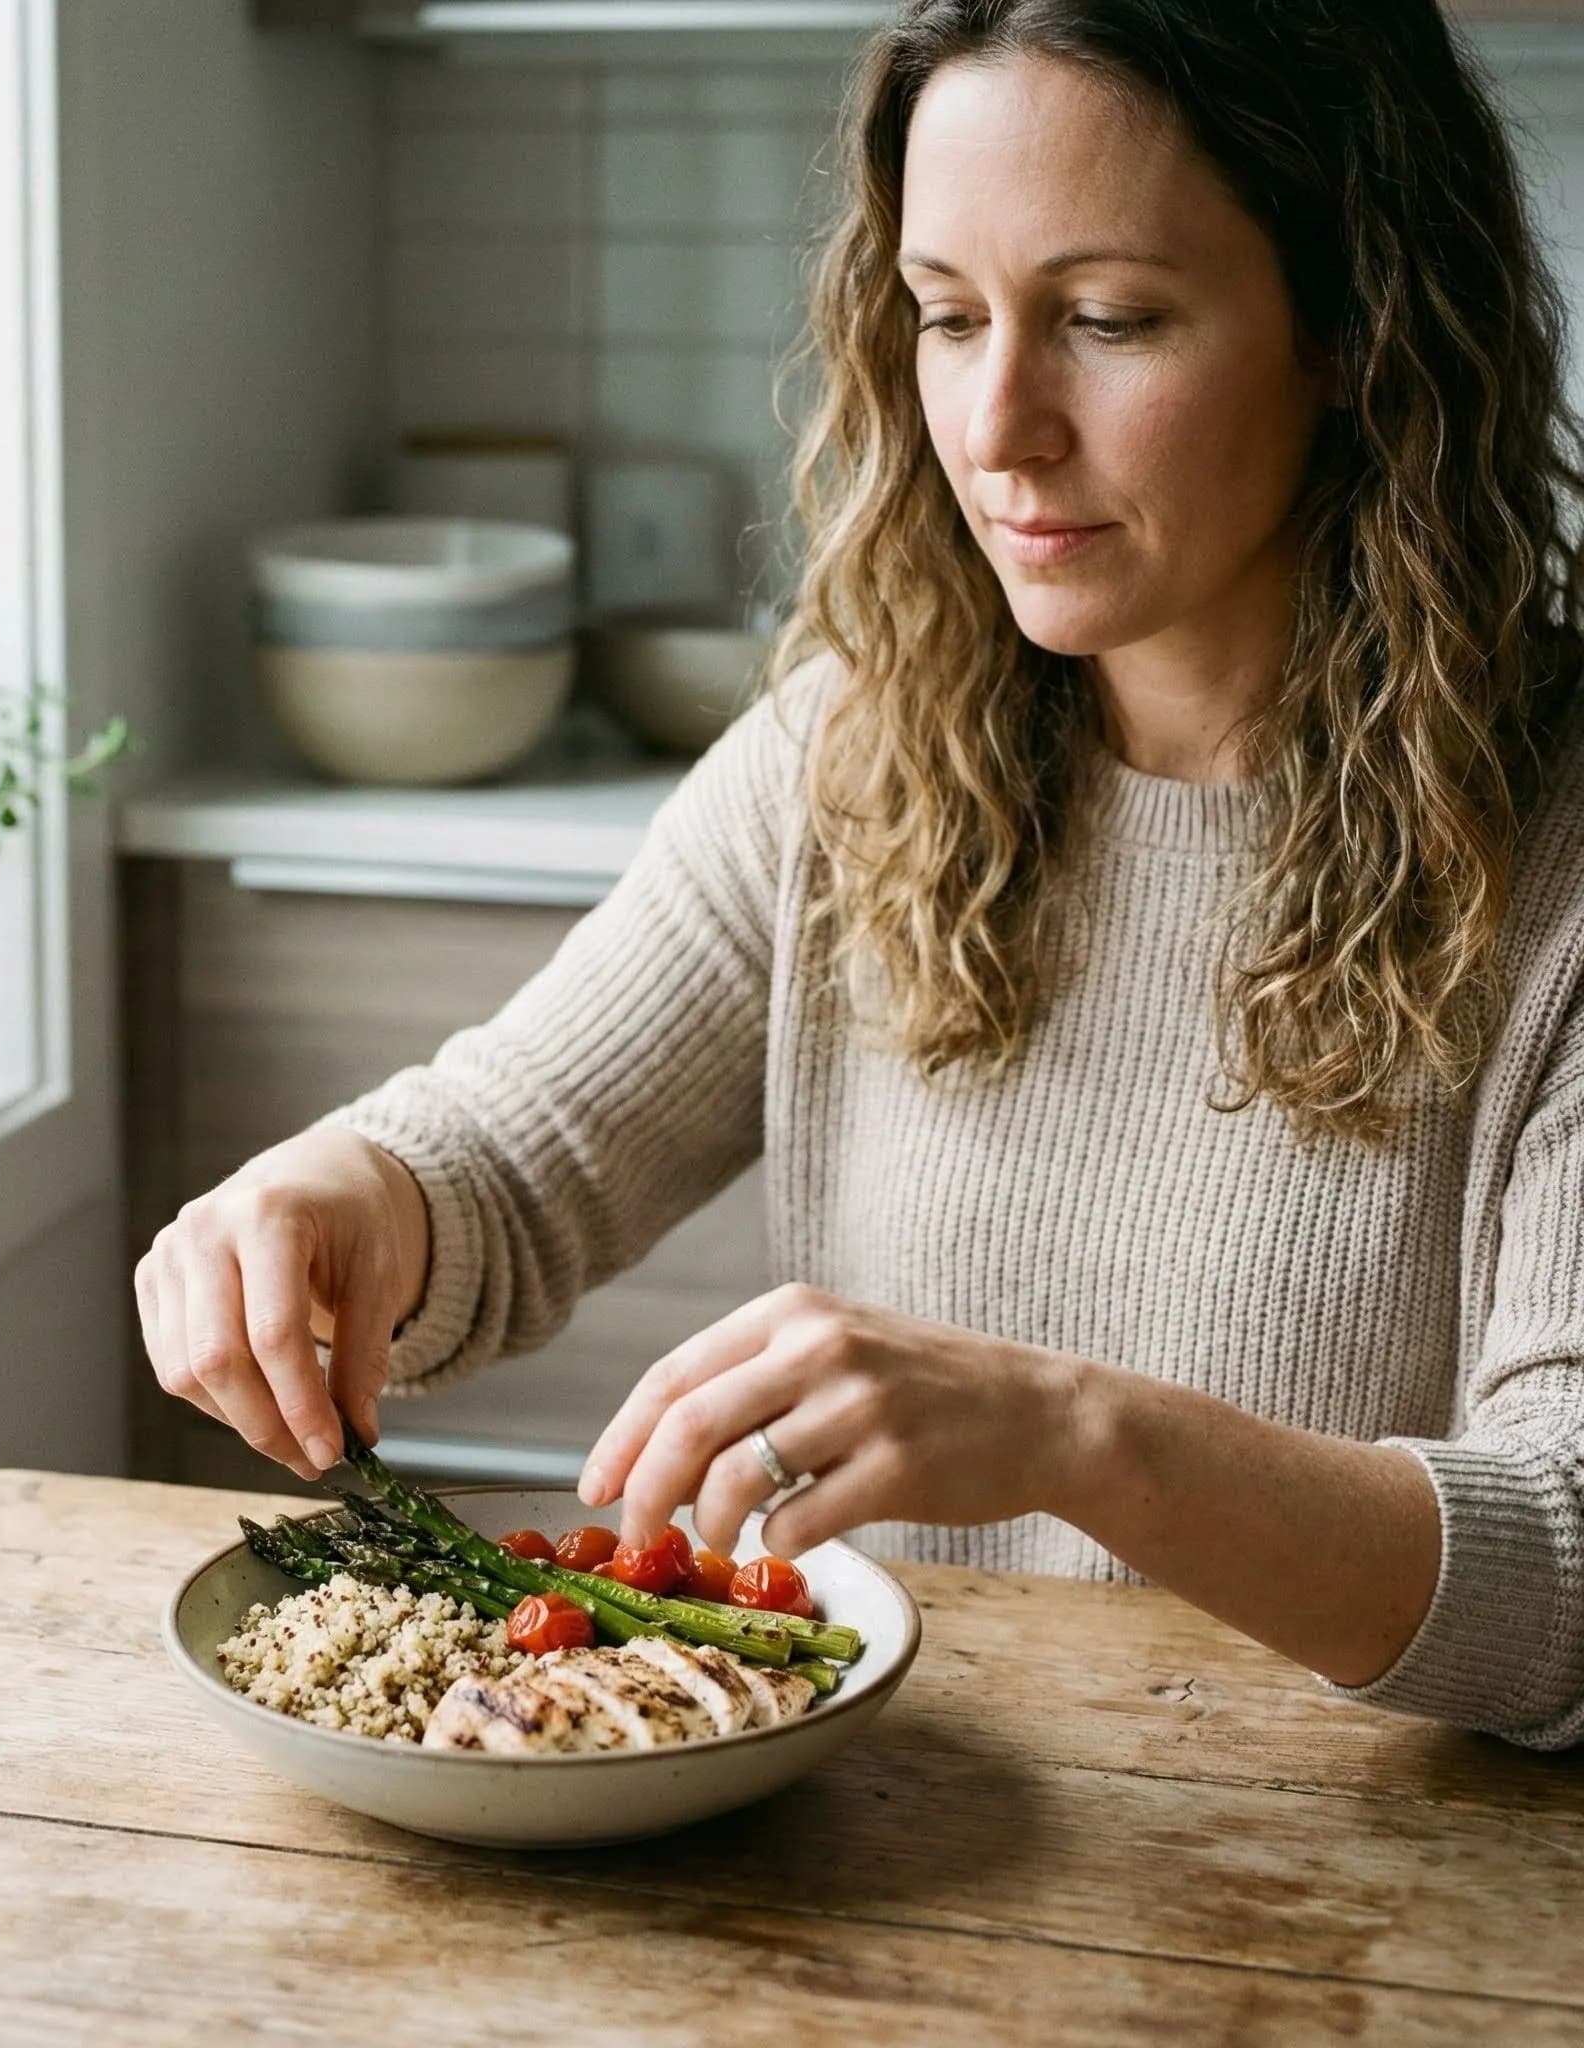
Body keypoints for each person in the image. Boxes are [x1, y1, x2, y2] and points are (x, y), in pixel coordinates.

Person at [135, 0, 1584, 1748]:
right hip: (895, 1838)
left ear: (1358, 324)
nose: (999, 427)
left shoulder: (1559, 853)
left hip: (1353, 1884)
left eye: (1109, 320)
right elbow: (512, 1160)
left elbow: (1568, 1571)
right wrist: (339, 1195)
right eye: (948, 317)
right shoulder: (856, 745)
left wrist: (1071, 1437)